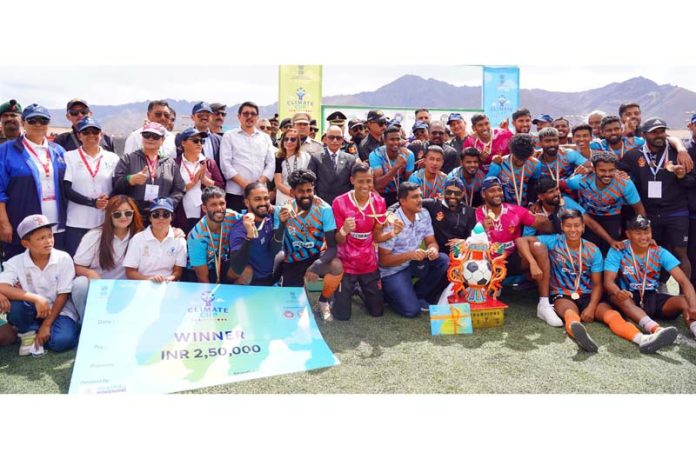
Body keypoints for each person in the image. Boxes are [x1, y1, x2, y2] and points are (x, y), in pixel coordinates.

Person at [517, 210, 677, 353]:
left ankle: (641, 339)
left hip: (588, 295)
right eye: (568, 226)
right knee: (570, 314)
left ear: (583, 227)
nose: (573, 230)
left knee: (612, 315)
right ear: (562, 227)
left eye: (577, 226)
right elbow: (521, 241)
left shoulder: (592, 250)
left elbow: (598, 284)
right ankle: (580, 336)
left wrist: (592, 307)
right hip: (562, 294)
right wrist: (532, 262)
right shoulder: (554, 241)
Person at [619, 117, 695, 280]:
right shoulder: (634, 155)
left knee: (680, 252)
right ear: (644, 135)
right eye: (654, 132)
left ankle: (685, 296)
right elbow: (619, 174)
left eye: (662, 131)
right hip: (649, 212)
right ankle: (658, 288)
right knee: (652, 250)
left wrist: (682, 176)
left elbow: (692, 181)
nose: (659, 135)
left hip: (676, 211)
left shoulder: (678, 153)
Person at [603, 215, 692, 350]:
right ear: (628, 234)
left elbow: (684, 281)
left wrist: (694, 306)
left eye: (647, 232)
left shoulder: (659, 251)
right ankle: (656, 330)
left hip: (651, 296)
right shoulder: (618, 250)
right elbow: (608, 282)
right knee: (619, 297)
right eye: (638, 233)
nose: (644, 237)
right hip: (629, 297)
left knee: (686, 301)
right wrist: (618, 291)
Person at [475, 177, 555, 325]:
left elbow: (544, 224)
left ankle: (544, 303)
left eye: (499, 189)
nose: (497, 193)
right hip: (486, 265)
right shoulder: (475, 214)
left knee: (538, 247)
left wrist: (555, 218)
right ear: (483, 194)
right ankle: (491, 286)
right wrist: (480, 228)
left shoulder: (515, 211)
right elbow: (468, 240)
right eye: (492, 190)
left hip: (512, 260)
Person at [331, 163, 403, 320]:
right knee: (341, 316)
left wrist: (393, 233)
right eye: (361, 181)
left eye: (369, 181)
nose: (365, 185)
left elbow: (376, 237)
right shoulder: (339, 202)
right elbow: (337, 240)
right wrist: (344, 230)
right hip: (346, 263)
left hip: (368, 263)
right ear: (352, 180)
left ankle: (359, 290)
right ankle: (339, 292)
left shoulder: (379, 202)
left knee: (377, 312)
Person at [0, 214, 79, 356]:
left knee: (62, 342)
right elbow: (2, 286)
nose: (48, 241)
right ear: (26, 244)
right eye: (41, 238)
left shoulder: (63, 258)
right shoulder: (15, 262)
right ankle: (28, 331)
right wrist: (37, 299)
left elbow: (63, 294)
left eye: (50, 236)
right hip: (32, 310)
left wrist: (47, 325)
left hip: (59, 311)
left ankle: (35, 331)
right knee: (17, 304)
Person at [0, 104, 68, 259]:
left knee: (55, 268)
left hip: (56, 224)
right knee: (20, 271)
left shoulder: (58, 151)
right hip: (22, 222)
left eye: (43, 120)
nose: (38, 124)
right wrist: (3, 223)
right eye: (33, 120)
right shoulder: (5, 151)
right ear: (23, 123)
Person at [277, 169, 343, 321]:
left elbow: (332, 248)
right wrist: (282, 223)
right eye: (301, 191)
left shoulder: (324, 209)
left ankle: (324, 301)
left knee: (337, 266)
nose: (306, 195)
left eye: (309, 190)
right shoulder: (284, 210)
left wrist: (316, 265)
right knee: (297, 315)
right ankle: (296, 288)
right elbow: (276, 243)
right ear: (293, 192)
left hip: (315, 257)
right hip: (291, 260)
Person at [378, 182, 449, 318]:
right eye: (415, 197)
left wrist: (433, 249)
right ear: (403, 201)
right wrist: (410, 255)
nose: (420, 200)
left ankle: (418, 295)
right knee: (411, 311)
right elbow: (383, 261)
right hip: (393, 271)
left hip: (413, 264)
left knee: (443, 260)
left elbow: (431, 241)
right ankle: (388, 295)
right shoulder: (392, 222)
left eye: (420, 196)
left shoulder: (424, 214)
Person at [70, 195, 144, 322]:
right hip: (99, 287)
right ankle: (85, 323)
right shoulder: (95, 236)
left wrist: (176, 231)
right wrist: (89, 272)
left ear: (134, 214)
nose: (123, 217)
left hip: (127, 288)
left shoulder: (140, 236)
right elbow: (77, 266)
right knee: (79, 284)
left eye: (128, 213)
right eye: (117, 214)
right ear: (109, 215)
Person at [566, 152, 645, 254]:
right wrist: (576, 173)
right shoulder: (581, 180)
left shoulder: (624, 183)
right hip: (588, 216)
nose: (607, 174)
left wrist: (643, 229)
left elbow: (638, 208)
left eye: (611, 170)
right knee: (589, 251)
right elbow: (566, 186)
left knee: (611, 250)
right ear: (594, 169)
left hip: (612, 217)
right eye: (602, 170)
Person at [63, 117, 120, 256]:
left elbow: (118, 186)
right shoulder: (69, 156)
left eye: (95, 132)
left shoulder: (112, 158)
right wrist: (92, 202)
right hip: (77, 223)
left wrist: (109, 198)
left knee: (102, 264)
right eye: (86, 132)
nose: (91, 135)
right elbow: (66, 190)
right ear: (79, 135)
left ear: (101, 134)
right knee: (76, 263)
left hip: (104, 223)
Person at [525, 177, 619, 250]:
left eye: (556, 189)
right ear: (541, 197)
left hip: (571, 243)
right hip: (548, 248)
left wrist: (611, 241)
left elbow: (589, 222)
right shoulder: (534, 213)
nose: (556, 194)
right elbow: (527, 239)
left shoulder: (566, 202)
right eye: (551, 192)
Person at [113, 122, 185, 217]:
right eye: (146, 135)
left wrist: (167, 203)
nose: (150, 139)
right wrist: (130, 180)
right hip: (134, 216)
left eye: (155, 136)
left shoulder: (170, 164)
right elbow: (115, 186)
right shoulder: (128, 159)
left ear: (162, 140)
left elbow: (179, 189)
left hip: (160, 216)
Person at [219, 101, 275, 212]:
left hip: (260, 195)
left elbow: (271, 164)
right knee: (235, 226)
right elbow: (225, 165)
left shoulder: (265, 138)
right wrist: (245, 185)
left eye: (253, 114)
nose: (249, 116)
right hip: (235, 193)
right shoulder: (229, 136)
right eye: (245, 114)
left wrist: (259, 184)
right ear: (239, 117)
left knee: (259, 227)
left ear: (257, 117)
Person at [227, 183, 282, 286]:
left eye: (266, 198)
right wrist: (249, 237)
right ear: (247, 202)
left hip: (271, 278)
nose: (263, 203)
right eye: (257, 199)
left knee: (283, 255)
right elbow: (236, 268)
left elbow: (292, 206)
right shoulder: (240, 229)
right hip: (251, 283)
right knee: (246, 272)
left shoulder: (272, 217)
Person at [173, 128, 225, 234]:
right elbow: (170, 190)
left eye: (202, 141)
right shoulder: (174, 164)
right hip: (181, 215)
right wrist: (191, 184)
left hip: (205, 215)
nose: (199, 144)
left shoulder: (210, 163)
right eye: (195, 141)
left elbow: (221, 187)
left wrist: (206, 181)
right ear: (183, 143)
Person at [123, 197, 187, 282]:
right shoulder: (137, 239)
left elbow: (177, 272)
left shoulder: (179, 240)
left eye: (166, 214)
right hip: (142, 285)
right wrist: (150, 279)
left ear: (171, 217)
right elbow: (130, 272)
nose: (161, 218)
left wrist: (168, 279)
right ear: (150, 218)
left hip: (168, 285)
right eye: (156, 214)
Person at [186, 187, 241, 284]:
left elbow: (249, 218)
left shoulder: (231, 216)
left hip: (220, 265)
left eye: (222, 203)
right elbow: (202, 277)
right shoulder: (197, 236)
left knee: (246, 270)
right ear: (204, 208)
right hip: (197, 273)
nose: (219, 208)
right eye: (213, 205)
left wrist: (250, 216)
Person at [422, 177, 476, 253]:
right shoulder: (433, 205)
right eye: (449, 192)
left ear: (463, 193)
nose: (452, 196)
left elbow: (474, 238)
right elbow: (411, 202)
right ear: (444, 191)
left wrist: (464, 242)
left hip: (461, 254)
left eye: (457, 193)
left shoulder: (469, 212)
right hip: (438, 254)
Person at [486, 133, 540, 207]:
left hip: (526, 207)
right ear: (511, 151)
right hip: (504, 207)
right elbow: (487, 186)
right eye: (517, 158)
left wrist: (531, 202)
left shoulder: (535, 164)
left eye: (523, 159)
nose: (519, 162)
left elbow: (534, 185)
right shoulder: (499, 163)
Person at [308, 125, 357, 204]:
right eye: (331, 137)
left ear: (342, 140)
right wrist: (315, 198)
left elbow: (353, 184)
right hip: (322, 204)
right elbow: (311, 182)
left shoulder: (350, 159)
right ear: (326, 139)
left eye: (338, 138)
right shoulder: (315, 157)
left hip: (344, 204)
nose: (335, 140)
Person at [369, 125, 415, 207]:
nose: (396, 142)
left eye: (398, 139)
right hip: (382, 195)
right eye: (392, 139)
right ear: (385, 140)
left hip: (401, 194)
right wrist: (396, 167)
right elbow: (378, 185)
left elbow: (408, 182)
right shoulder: (376, 155)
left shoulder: (408, 155)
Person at [274, 128, 310, 206]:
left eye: (293, 139)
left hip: (302, 196)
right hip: (283, 197)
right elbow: (278, 184)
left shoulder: (305, 157)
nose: (289, 142)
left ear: (298, 142)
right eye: (286, 139)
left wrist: (300, 194)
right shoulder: (278, 158)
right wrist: (293, 193)